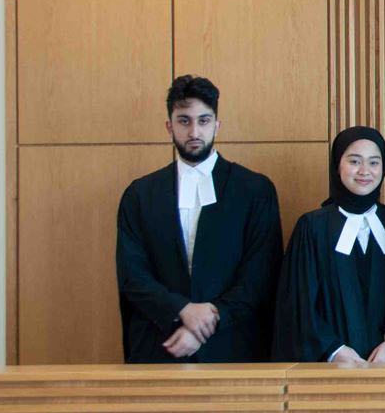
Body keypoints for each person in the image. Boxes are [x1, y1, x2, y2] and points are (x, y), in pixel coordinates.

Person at [116, 75, 282, 363]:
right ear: (169, 126)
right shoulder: (140, 194)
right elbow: (132, 276)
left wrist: (209, 320)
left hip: (234, 347)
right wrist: (182, 310)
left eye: (203, 121)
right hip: (161, 345)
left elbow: (260, 275)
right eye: (184, 120)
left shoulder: (254, 190)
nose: (194, 131)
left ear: (217, 125)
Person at [272, 126, 385, 365]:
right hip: (330, 367)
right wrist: (334, 350)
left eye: (374, 163)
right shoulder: (311, 227)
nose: (364, 171)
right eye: (354, 161)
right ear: (336, 166)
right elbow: (299, 303)